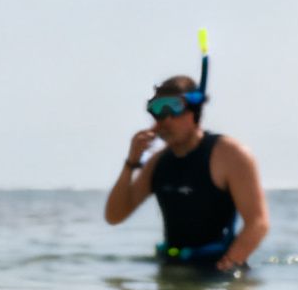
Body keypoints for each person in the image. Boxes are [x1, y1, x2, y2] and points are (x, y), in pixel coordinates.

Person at [104, 75, 268, 272]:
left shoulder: (230, 155)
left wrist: (228, 267)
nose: (165, 120)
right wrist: (131, 162)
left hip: (216, 272)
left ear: (194, 111)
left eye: (173, 108)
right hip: (171, 270)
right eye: (157, 111)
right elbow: (114, 216)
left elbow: (258, 223)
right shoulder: (158, 162)